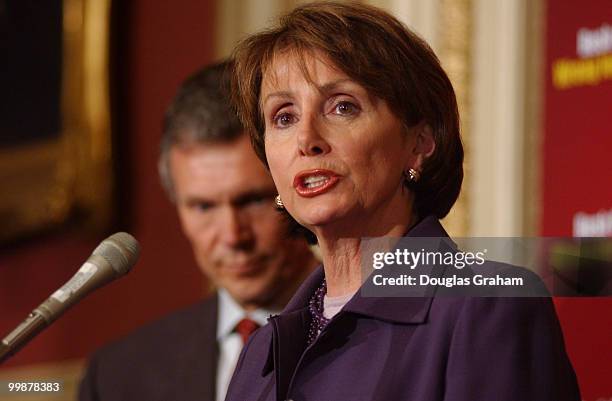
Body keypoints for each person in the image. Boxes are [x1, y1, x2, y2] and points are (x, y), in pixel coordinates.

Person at [224, 3, 581, 401]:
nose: (307, 139)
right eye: (283, 117)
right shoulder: (260, 353)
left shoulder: (487, 307)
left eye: (343, 106)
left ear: (419, 143)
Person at [78, 62, 317, 401]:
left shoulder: (373, 324)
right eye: (203, 207)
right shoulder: (117, 376)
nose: (234, 237)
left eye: (252, 200)